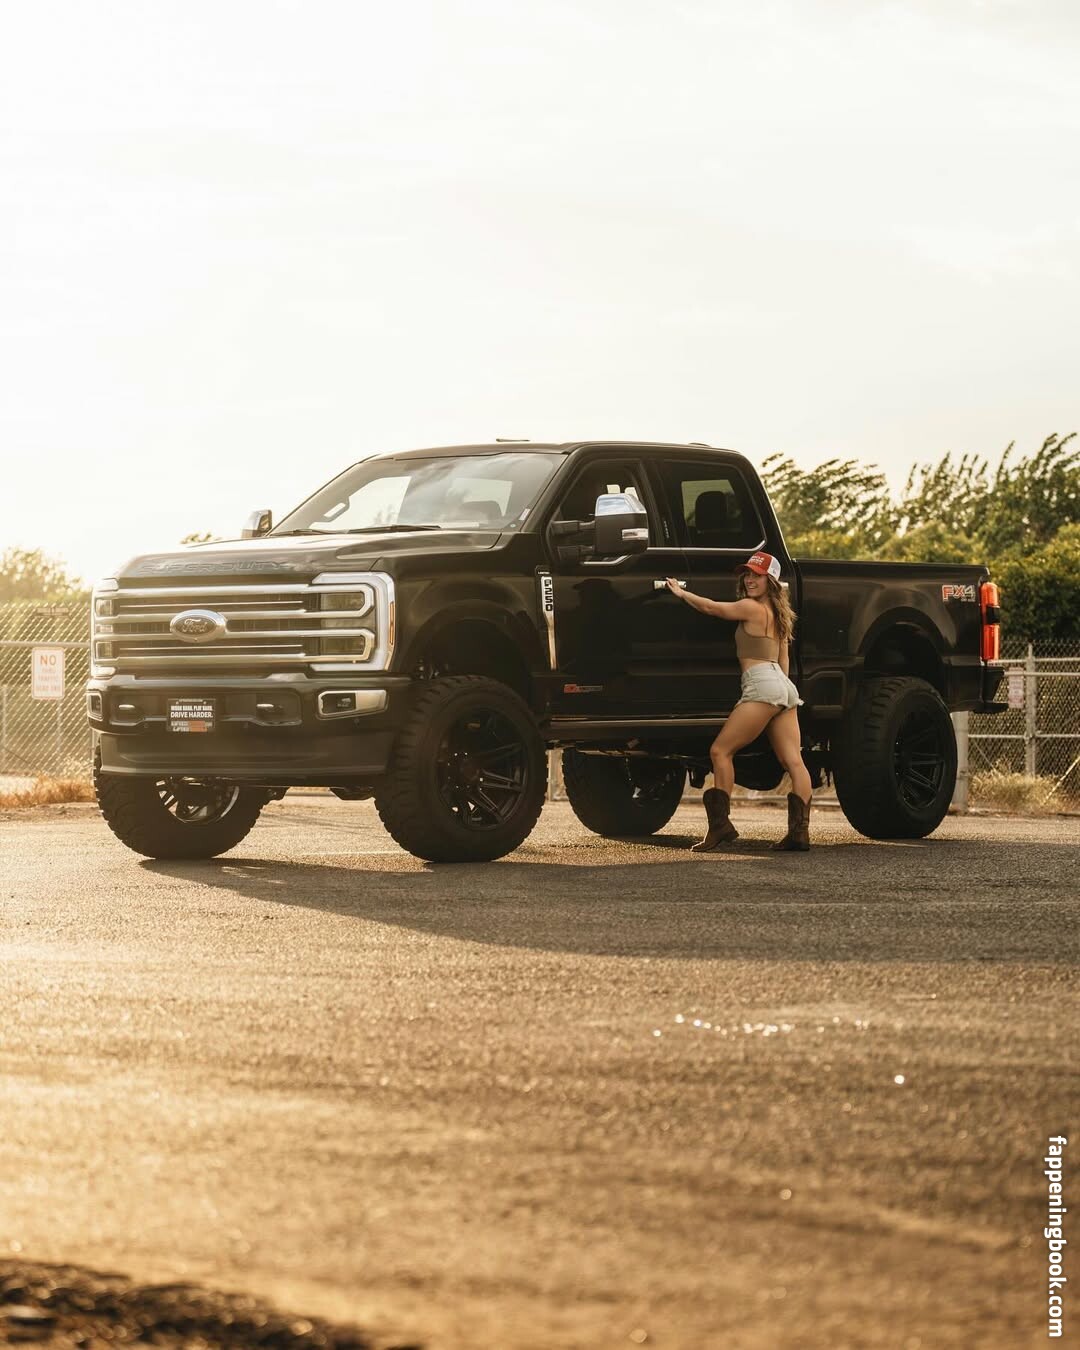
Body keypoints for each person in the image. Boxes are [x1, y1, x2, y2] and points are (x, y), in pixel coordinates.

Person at [665, 551, 812, 852]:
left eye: (757, 575)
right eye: (747, 574)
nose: (749, 580)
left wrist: (681, 593)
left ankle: (720, 826)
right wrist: (780, 695)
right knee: (794, 761)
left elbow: (712, 608)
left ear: (771, 581)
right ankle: (799, 833)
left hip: (762, 684)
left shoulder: (750, 607)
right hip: (782, 686)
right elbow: (783, 660)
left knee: (720, 751)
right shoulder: (780, 614)